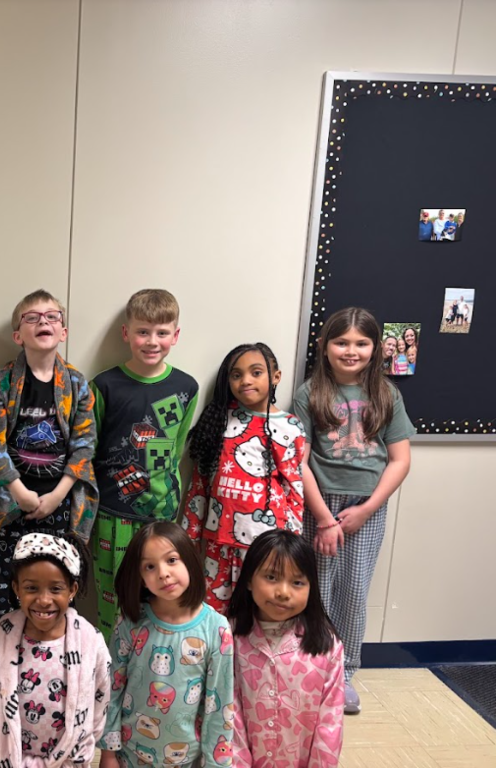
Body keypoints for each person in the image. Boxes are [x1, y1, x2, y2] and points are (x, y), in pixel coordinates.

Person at [293, 307, 414, 714]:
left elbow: (399, 460)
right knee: (315, 587)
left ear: (375, 348)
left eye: (361, 343)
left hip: (366, 509)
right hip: (319, 506)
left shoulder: (386, 395)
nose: (351, 350)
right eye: (341, 342)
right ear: (325, 346)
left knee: (352, 592)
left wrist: (366, 510)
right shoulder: (310, 392)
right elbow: (299, 461)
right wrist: (325, 519)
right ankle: (311, 665)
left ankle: (343, 674)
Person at [0, 289, 98, 624]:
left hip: (58, 504)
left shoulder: (76, 383)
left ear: (63, 332)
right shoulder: (0, 382)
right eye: (32, 317)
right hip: (8, 506)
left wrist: (57, 495)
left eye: (52, 316)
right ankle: (0, 663)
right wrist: (19, 492)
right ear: (18, 334)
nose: (43, 321)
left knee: (53, 589)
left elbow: (85, 443)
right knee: (2, 591)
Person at [90, 289, 199, 640]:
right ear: (126, 334)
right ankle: (111, 676)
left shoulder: (186, 387)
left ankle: (152, 671)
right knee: (113, 603)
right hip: (111, 512)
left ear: (175, 336)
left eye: (162, 333)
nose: (152, 341)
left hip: (162, 515)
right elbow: (90, 449)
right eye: (142, 332)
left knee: (160, 600)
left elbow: (177, 448)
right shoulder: (104, 386)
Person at [181, 343, 306, 613]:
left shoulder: (290, 426)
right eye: (236, 375)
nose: (245, 380)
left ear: (275, 377)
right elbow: (200, 482)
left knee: (259, 616)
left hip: (267, 547)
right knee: (215, 618)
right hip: (219, 543)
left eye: (256, 372)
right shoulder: (218, 420)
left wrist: (293, 545)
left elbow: (294, 488)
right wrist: (189, 535)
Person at [98, 522, 234, 768]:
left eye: (171, 560)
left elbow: (219, 705)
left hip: (186, 759)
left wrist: (217, 763)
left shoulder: (217, 628)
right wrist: (108, 751)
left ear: (189, 560)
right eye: (150, 566)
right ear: (140, 577)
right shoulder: (130, 622)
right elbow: (112, 688)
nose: (163, 573)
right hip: (129, 755)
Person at [0, 532, 111, 768]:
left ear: (72, 590)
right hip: (8, 761)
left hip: (66, 761)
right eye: (31, 588)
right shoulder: (1, 634)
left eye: (55, 589)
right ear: (16, 588)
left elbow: (100, 698)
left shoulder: (90, 640)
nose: (44, 600)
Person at [227, 530, 344, 767]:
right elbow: (229, 714)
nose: (283, 592)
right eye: (271, 577)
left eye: (297, 582)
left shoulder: (326, 646)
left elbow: (330, 723)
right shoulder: (230, 638)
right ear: (249, 579)